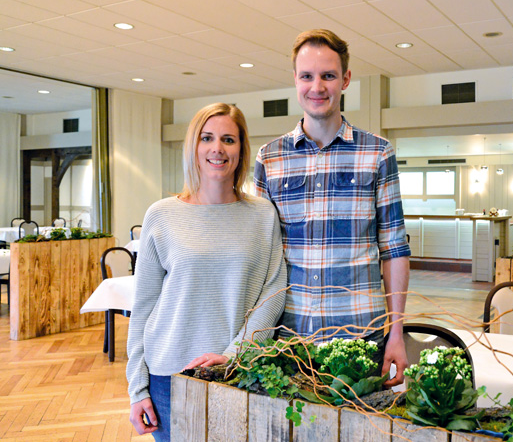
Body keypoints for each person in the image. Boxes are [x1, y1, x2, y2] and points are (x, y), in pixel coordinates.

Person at [253, 29, 411, 387]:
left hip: (362, 337)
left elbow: (395, 249)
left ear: (346, 80)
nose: (317, 87)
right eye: (307, 76)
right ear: (295, 80)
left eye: (328, 75)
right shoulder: (270, 159)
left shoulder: (378, 153)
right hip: (290, 341)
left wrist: (397, 332)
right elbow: (261, 256)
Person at [126, 103, 286, 440]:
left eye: (228, 139)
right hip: (169, 378)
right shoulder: (161, 215)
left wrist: (233, 357)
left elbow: (272, 295)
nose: (217, 148)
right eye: (207, 138)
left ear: (241, 149)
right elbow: (142, 309)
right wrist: (137, 388)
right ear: (193, 147)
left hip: (237, 375)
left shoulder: (262, 215)